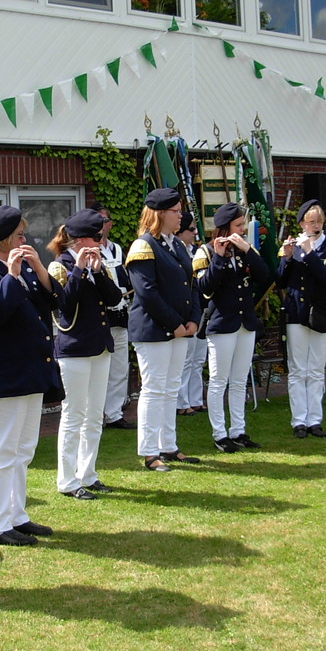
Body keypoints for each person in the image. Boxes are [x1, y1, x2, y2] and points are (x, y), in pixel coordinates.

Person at [0, 206, 63, 545]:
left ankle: (16, 515)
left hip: (29, 369)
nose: (26, 240)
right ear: (2, 240)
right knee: (0, 451)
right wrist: (10, 276)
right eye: (20, 235)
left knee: (23, 448)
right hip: (2, 373)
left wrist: (38, 268)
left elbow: (55, 301)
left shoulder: (23, 266)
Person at [125, 188, 201, 472]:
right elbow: (147, 292)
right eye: (176, 211)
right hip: (154, 330)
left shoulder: (177, 245)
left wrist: (193, 319)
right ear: (159, 213)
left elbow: (191, 285)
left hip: (180, 328)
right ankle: (149, 452)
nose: (180, 216)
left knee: (171, 388)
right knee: (154, 389)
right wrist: (174, 324)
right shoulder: (143, 245)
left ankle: (168, 445)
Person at [47, 209, 122, 500]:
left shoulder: (96, 264)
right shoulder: (60, 266)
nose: (101, 242)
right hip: (74, 350)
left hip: (99, 347)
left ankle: (88, 473)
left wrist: (99, 271)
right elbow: (64, 305)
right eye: (96, 237)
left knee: (93, 416)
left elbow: (114, 298)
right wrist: (79, 270)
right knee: (74, 415)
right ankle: (67, 480)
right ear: (79, 240)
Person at [192, 203, 272, 452]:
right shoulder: (205, 252)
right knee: (218, 381)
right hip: (222, 324)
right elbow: (204, 288)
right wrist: (218, 257)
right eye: (238, 225)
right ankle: (220, 434)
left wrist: (247, 250)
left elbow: (265, 276)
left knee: (239, 381)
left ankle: (238, 430)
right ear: (225, 227)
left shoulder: (244, 250)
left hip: (245, 322)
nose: (242, 229)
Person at [277, 200, 326, 438]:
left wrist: (310, 253)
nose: (315, 226)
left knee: (316, 369)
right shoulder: (295, 247)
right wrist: (287, 258)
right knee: (297, 369)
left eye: (319, 221)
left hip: (321, 314)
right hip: (297, 314)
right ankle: (299, 420)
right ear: (302, 224)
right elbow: (281, 281)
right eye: (311, 222)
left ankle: (315, 420)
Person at [91, 202, 136, 429]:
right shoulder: (89, 251)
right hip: (102, 316)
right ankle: (97, 415)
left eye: (105, 221)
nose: (102, 226)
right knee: (100, 368)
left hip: (121, 313)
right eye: (98, 221)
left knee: (119, 367)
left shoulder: (117, 249)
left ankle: (114, 413)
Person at [175, 211, 208, 417]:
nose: (195, 233)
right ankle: (181, 402)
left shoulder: (197, 251)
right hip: (184, 311)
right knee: (185, 360)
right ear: (180, 232)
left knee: (198, 359)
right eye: (191, 229)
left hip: (200, 309)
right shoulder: (175, 252)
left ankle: (195, 399)